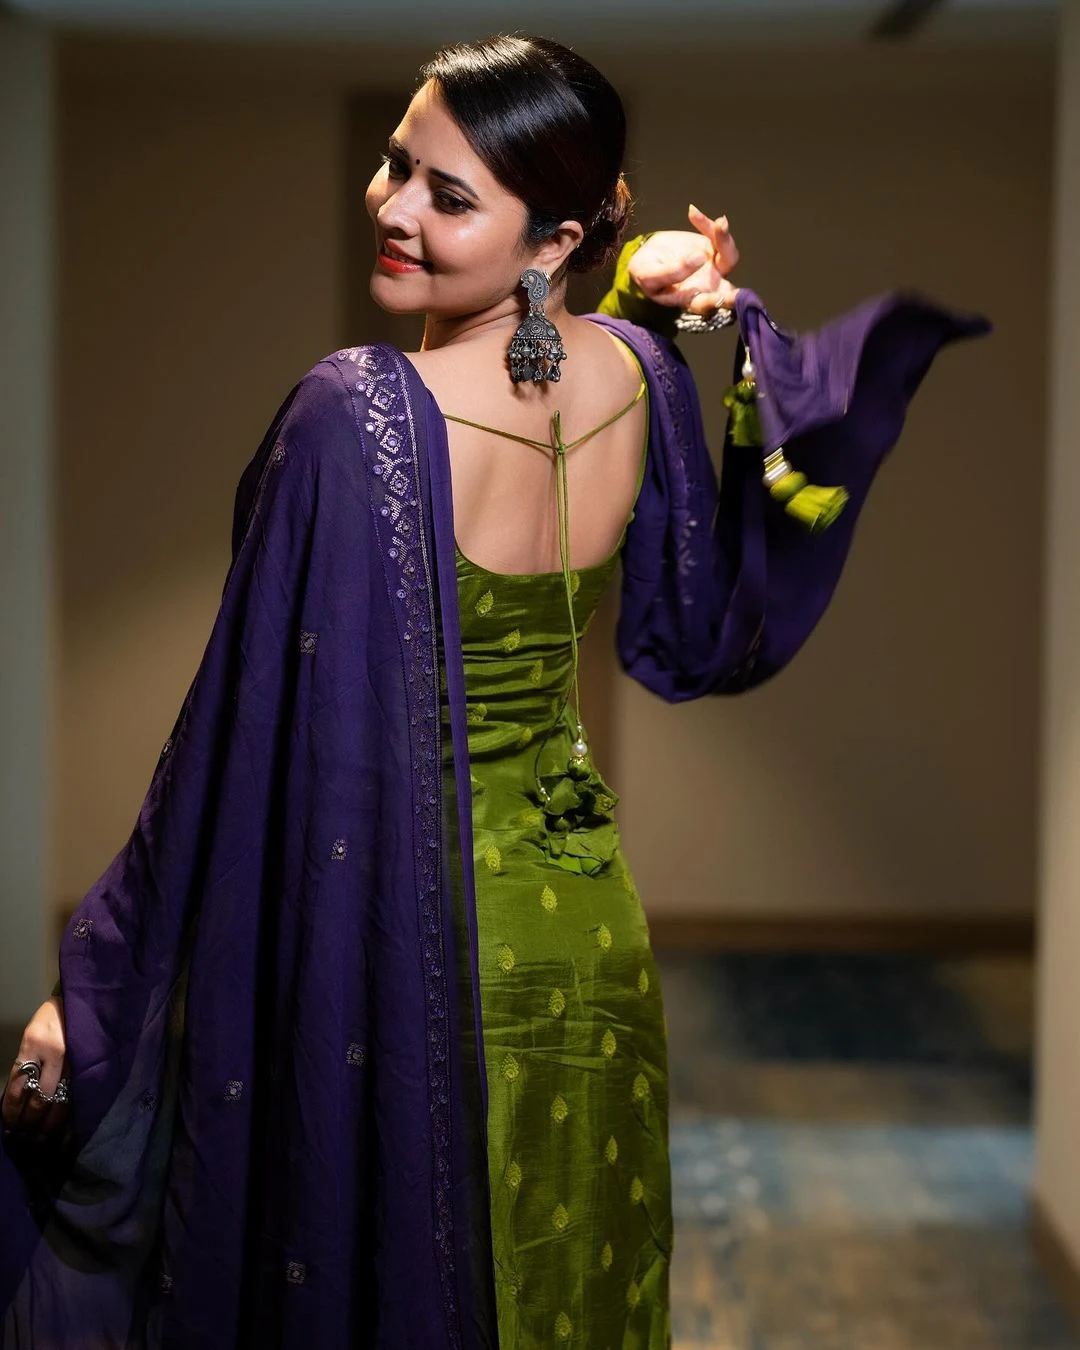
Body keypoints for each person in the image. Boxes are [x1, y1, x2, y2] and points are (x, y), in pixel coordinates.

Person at [0, 33, 986, 1350]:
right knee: (565, 1286)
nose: (393, 204)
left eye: (446, 194)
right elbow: (591, 394)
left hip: (416, 947)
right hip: (591, 941)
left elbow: (230, 724)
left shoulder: (353, 410)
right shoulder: (638, 378)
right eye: (395, 163)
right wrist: (635, 285)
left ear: (554, 235)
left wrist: (96, 984)